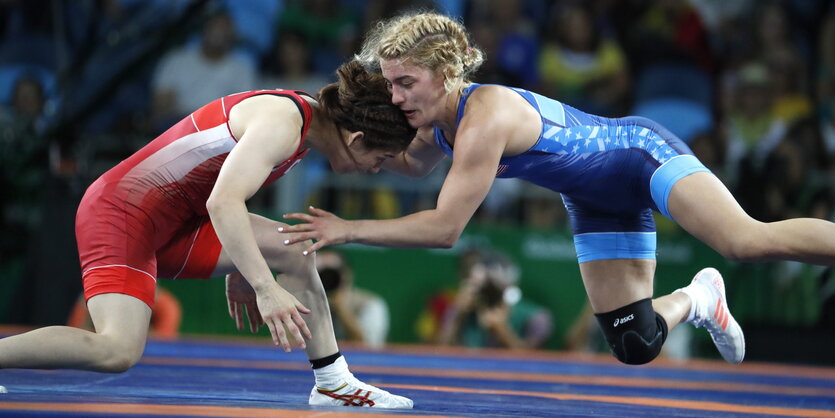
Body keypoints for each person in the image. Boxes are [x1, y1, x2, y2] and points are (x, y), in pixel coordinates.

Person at [280, 11, 835, 366]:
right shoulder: (435, 125)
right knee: (635, 343)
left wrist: (347, 228)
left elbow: (445, 229)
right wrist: (331, 136)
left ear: (447, 71)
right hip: (594, 199)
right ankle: (699, 299)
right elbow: (407, 166)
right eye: (392, 84)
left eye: (406, 83)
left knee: (746, 241)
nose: (397, 97)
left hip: (641, 156)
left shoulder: (484, 118)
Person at [0, 60, 415, 409]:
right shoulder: (283, 122)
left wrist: (239, 263)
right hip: (123, 213)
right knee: (116, 350)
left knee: (296, 248)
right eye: (379, 158)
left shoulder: (305, 128)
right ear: (357, 139)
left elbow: (222, 187)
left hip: (180, 219)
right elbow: (223, 203)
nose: (376, 169)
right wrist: (263, 285)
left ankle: (333, 382)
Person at [316, 250, 390, 348]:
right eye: (319, 273)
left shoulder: (371, 304)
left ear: (346, 274)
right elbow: (292, 347)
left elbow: (369, 347)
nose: (326, 279)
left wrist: (340, 309)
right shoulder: (302, 304)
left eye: (332, 274)